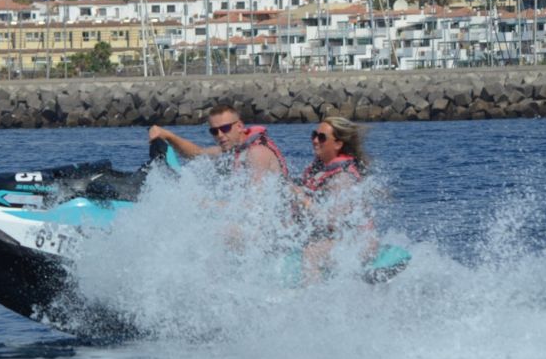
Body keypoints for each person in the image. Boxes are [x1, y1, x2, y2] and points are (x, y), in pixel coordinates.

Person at [295, 116, 377, 280]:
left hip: (358, 241)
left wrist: (303, 199)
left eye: (322, 137)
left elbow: (334, 223)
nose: (315, 141)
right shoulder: (318, 170)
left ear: (338, 144)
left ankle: (310, 299)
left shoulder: (343, 178)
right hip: (337, 238)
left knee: (311, 253)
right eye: (314, 135)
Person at [148, 104, 288, 182]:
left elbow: (254, 206)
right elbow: (195, 154)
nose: (220, 135)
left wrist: (206, 204)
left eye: (225, 128)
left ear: (239, 126)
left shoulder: (257, 153)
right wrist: (167, 135)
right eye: (214, 131)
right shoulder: (233, 150)